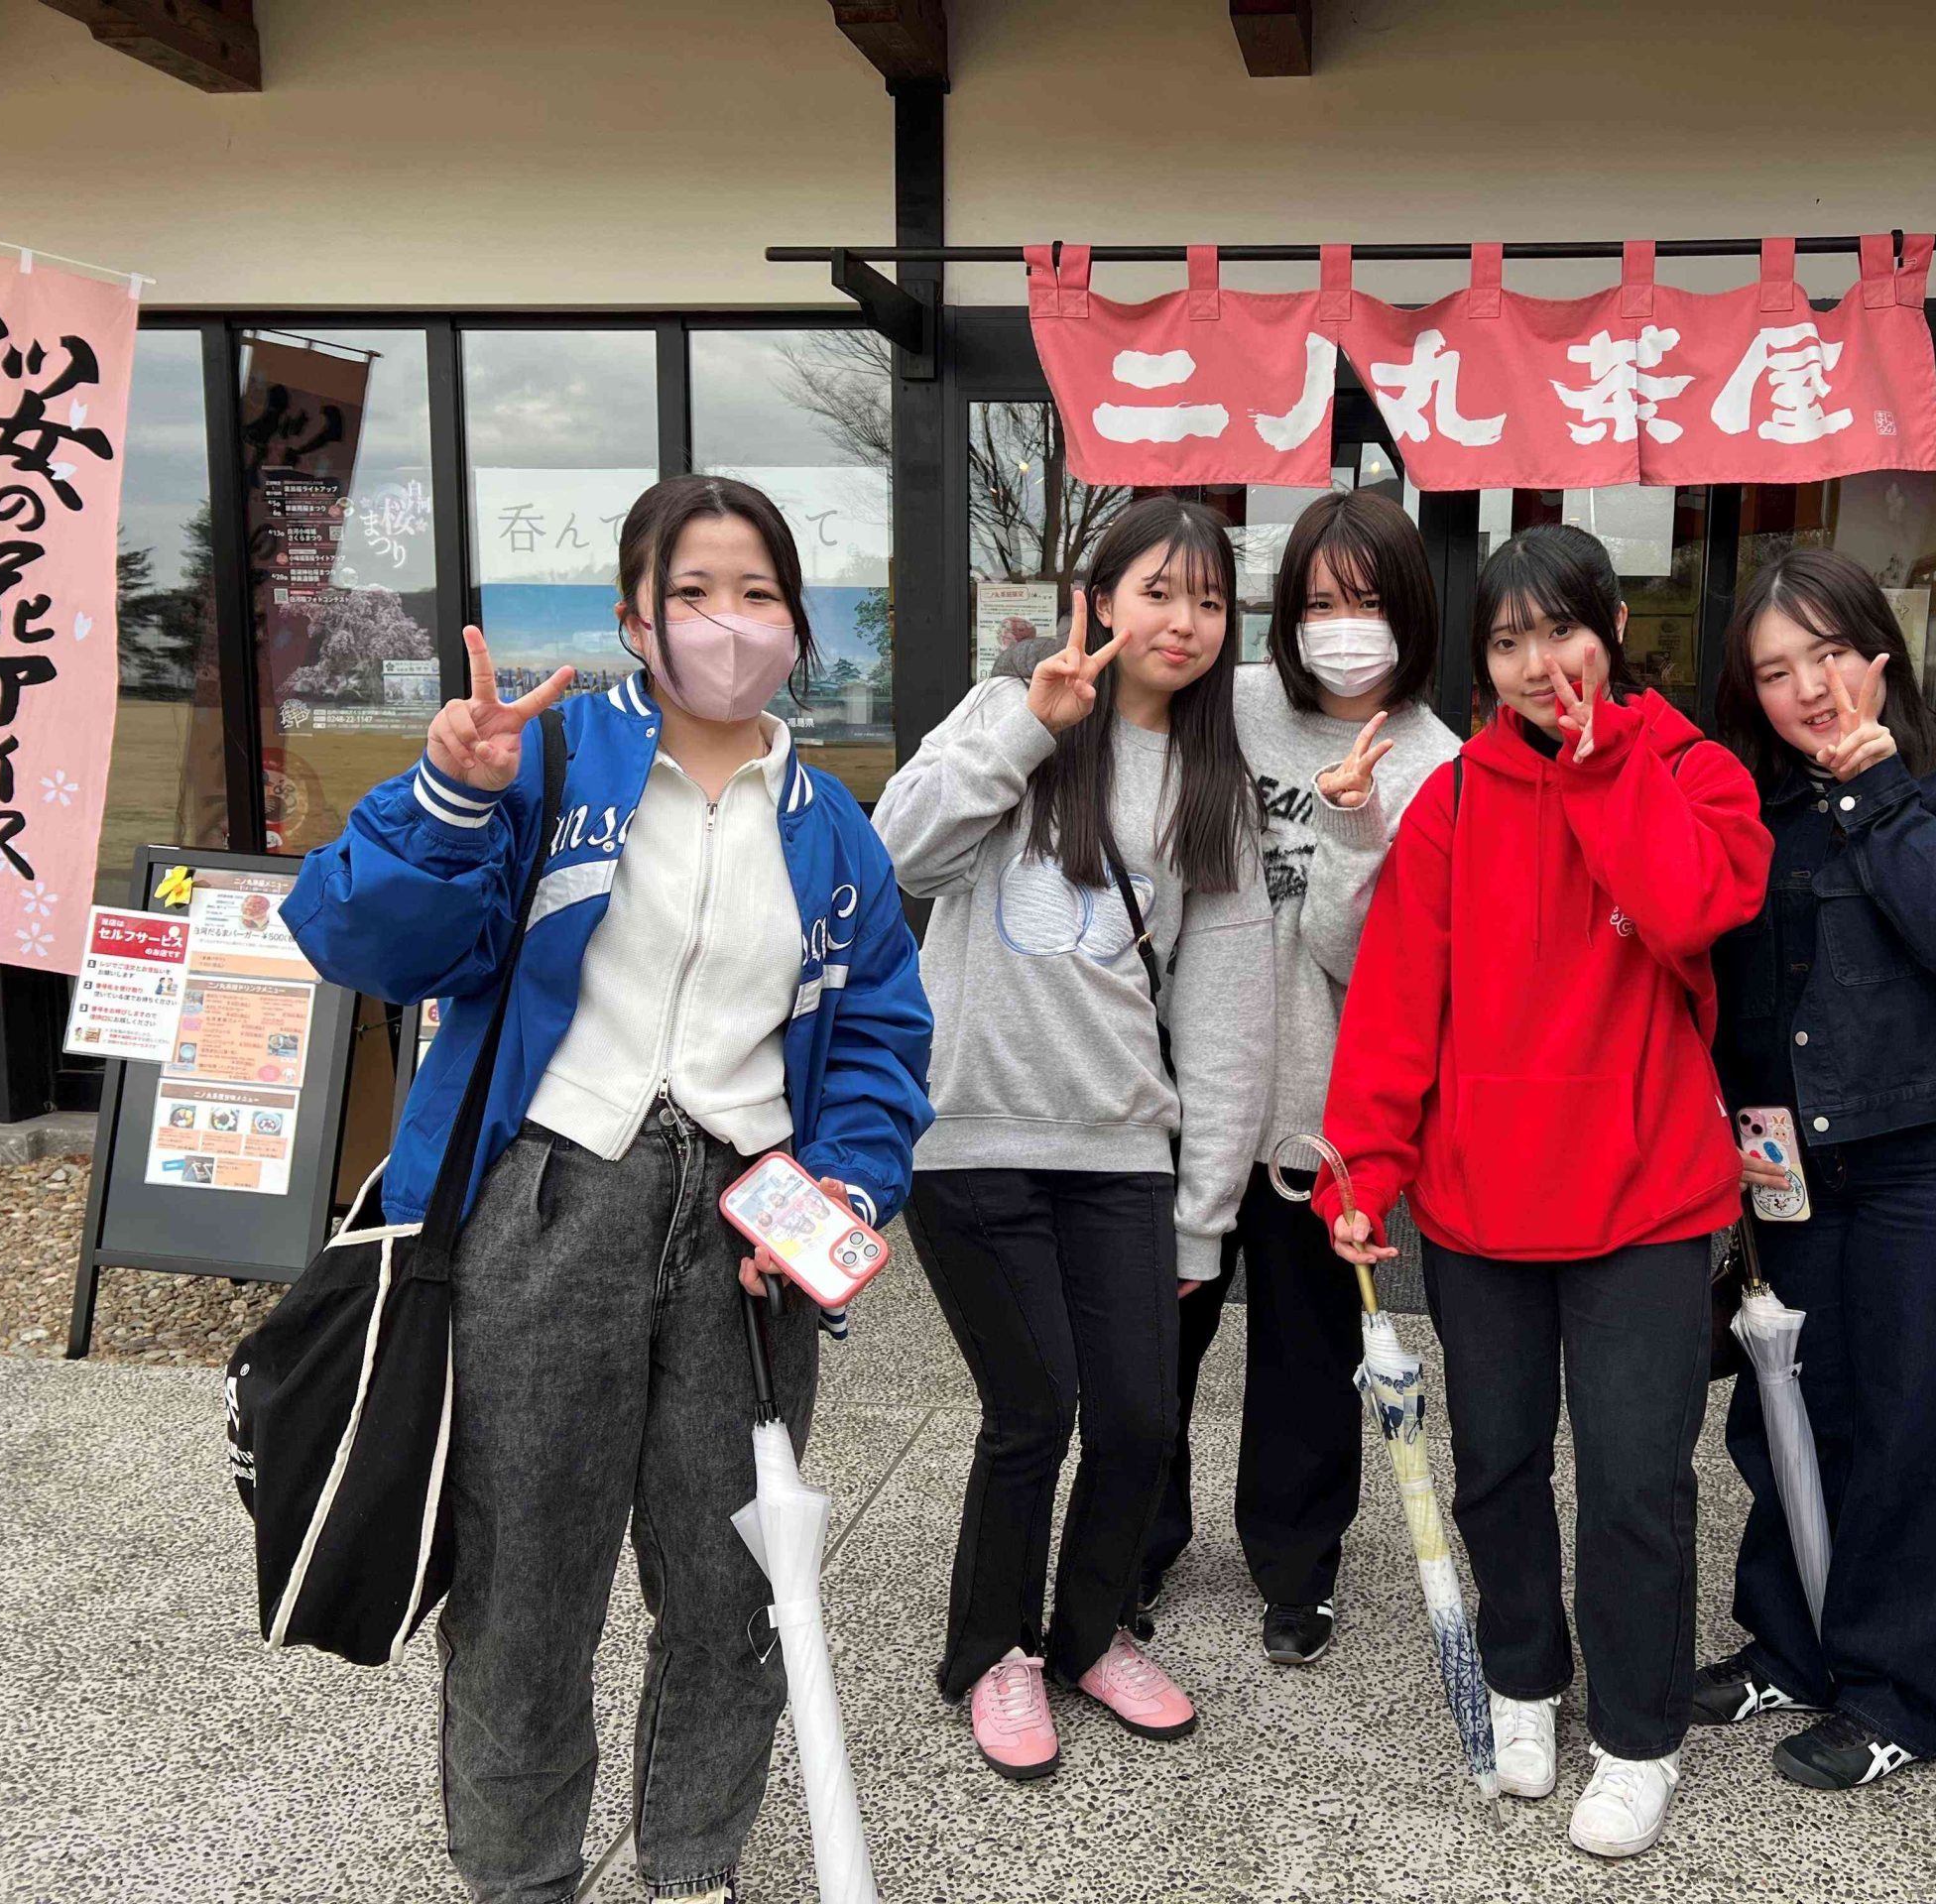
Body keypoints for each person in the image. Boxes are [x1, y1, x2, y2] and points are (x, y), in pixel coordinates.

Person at [283, 473, 933, 1904]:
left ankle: (693, 1868)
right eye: (691, 592)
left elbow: (882, 1038)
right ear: (634, 618)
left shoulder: (832, 824)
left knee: (734, 1589)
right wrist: (452, 795)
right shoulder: (550, 762)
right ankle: (521, 1877)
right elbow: (358, 940)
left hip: (749, 1231)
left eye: (757, 593)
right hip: (548, 1205)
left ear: (799, 625)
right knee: (524, 1590)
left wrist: (843, 1187)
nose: (726, 622)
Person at [1313, 523, 1771, 1859]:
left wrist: (1602, 765)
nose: (1537, 663)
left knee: (1635, 1484)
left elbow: (1690, 909)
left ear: (1613, 632)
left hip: (1648, 1201)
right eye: (1509, 641)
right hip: (1480, 1207)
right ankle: (1523, 1675)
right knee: (1498, 1466)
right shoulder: (1454, 802)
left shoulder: (1692, 771)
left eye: (1561, 630)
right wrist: (1364, 1168)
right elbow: (1397, 1003)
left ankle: (1637, 1733)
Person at [871, 496, 1274, 1781]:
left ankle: (1090, 1634)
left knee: (1143, 1420)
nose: (1183, 621)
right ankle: (994, 1649)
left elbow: (1225, 1013)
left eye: (1207, 600)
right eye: (1158, 591)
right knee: (1032, 1411)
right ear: (1098, 601)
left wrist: (1205, 1208)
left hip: (1123, 1153)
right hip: (975, 1138)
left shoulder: (1214, 783)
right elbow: (901, 853)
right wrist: (1025, 726)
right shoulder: (1013, 711)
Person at [1699, 547, 1936, 1788]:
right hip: (1792, 1166)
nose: (1809, 688)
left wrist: (1875, 789)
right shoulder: (1752, 804)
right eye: (1775, 671)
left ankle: (1898, 1693)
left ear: (1881, 655)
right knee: (1789, 1411)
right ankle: (1788, 1647)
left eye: (1830, 654)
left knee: (1920, 1431)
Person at [1141, 490, 1462, 1669]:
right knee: (1153, 1348)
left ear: (1410, 612)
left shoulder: (1438, 766)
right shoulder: (1229, 707)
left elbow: (1366, 960)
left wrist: (1352, 828)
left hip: (1324, 1119)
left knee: (1306, 1357)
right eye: (1318, 602)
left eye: (1365, 601)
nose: (1340, 626)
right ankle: (1134, 1543)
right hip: (1186, 1092)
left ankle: (1296, 1567)